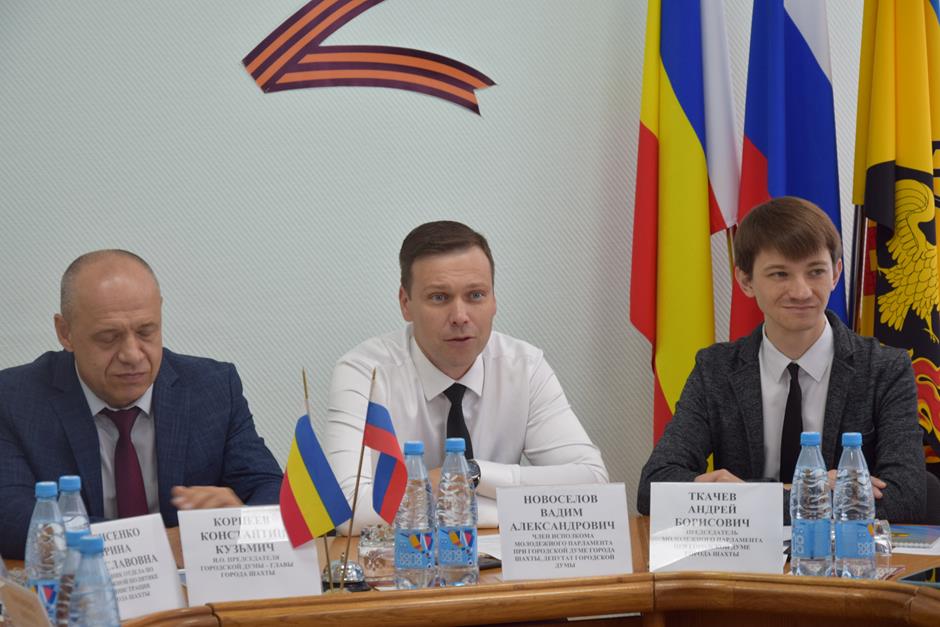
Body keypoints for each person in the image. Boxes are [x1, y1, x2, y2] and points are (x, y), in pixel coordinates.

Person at [637, 197, 926, 523]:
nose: (801, 291)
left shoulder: (884, 368)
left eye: (815, 272)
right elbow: (653, 487)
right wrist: (814, 491)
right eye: (779, 274)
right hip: (746, 554)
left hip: (844, 553)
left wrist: (746, 498)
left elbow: (906, 495)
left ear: (836, 273)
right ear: (746, 281)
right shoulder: (715, 370)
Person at [325, 220, 608, 531]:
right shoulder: (366, 373)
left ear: (494, 300)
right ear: (406, 304)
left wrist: (470, 474)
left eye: (475, 295)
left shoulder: (524, 367)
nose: (460, 317)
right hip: (402, 559)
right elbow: (346, 510)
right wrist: (515, 510)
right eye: (439, 297)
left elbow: (593, 485)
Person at [0, 250, 283, 559]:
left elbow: (271, 490)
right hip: (82, 583)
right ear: (65, 332)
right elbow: (13, 520)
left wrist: (241, 521)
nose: (132, 354)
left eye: (146, 331)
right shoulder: (16, 399)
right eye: (108, 337)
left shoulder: (212, 388)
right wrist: (160, 545)